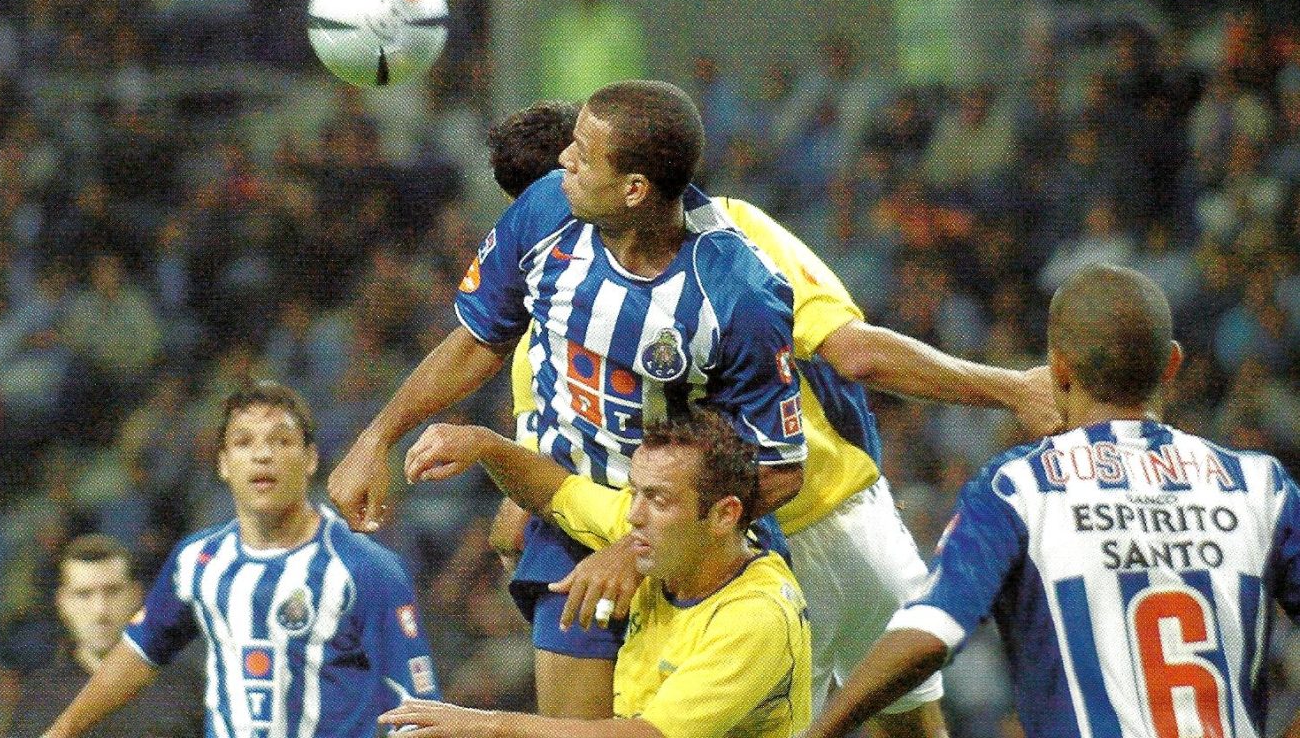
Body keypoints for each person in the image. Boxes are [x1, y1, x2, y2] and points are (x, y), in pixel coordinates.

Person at [484, 99, 1060, 736]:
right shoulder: (733, 228)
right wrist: (1012, 387)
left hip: (729, 555)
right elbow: (856, 353)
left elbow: (525, 510)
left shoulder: (547, 340)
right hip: (839, 522)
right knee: (912, 725)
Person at [328, 80, 809, 719]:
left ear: (634, 189)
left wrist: (636, 550)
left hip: (693, 547)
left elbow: (779, 469)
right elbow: (477, 342)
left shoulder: (737, 293)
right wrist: (377, 437)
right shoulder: (545, 213)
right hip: (569, 524)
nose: (563, 160)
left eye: (582, 153)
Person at [805, 264, 1300, 738]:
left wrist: (819, 731)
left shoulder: (1020, 487)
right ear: (1171, 363)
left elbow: (931, 632)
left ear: (1058, 368)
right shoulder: (1261, 485)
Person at [42, 380, 440, 738]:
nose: (262, 455)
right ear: (223, 463)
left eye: (281, 441)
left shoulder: (365, 569)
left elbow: (419, 709)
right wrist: (61, 730)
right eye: (244, 442)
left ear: (310, 458)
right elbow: (140, 652)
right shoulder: (197, 560)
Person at [381, 407, 811, 738]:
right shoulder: (667, 543)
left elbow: (646, 736)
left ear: (724, 515)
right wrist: (483, 444)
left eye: (658, 500)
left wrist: (486, 726)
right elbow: (557, 490)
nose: (634, 516)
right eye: (634, 493)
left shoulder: (756, 616)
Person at [6, 534, 202, 738]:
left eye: (112, 591)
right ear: (62, 602)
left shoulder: (185, 686)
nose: (100, 611)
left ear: (136, 595)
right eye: (84, 594)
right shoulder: (39, 697)